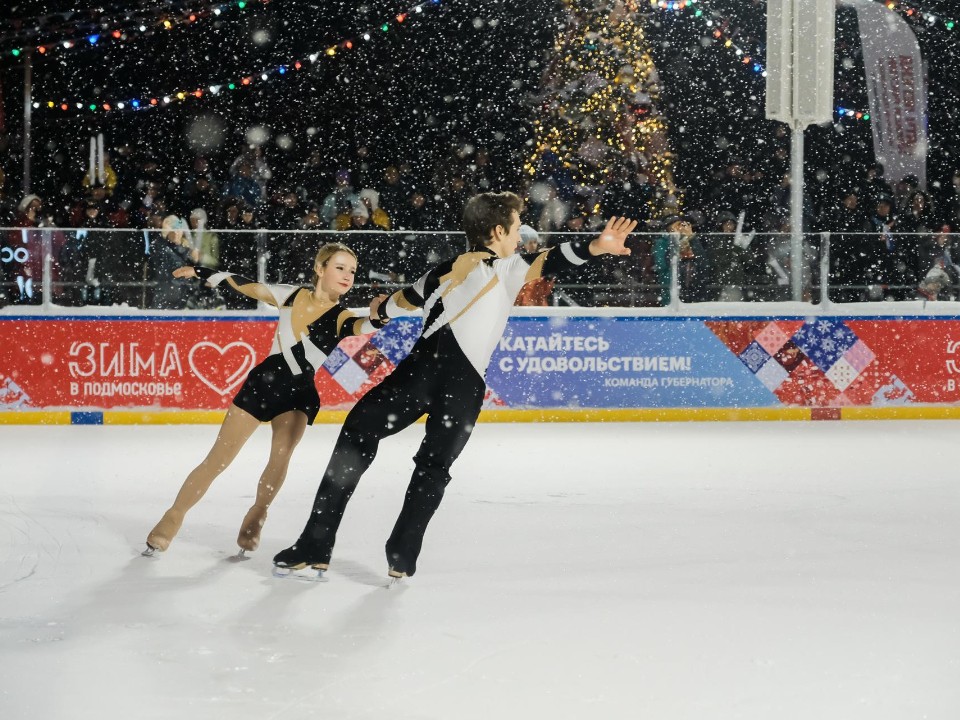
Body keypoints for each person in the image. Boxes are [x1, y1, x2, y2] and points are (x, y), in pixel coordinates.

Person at [272, 191, 636, 580]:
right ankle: (403, 550)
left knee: (360, 432)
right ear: (498, 231)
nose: (519, 236)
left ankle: (317, 541)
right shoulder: (509, 267)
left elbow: (400, 302)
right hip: (462, 388)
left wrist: (380, 309)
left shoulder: (443, 270)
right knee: (434, 467)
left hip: (419, 374)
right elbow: (554, 259)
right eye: (515, 228)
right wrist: (596, 246)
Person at [144, 242, 388, 556]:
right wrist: (203, 271)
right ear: (319, 268)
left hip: (299, 395)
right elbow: (247, 286)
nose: (347, 276)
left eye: (352, 271)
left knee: (279, 457)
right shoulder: (291, 295)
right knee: (217, 459)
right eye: (339, 267)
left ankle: (257, 514)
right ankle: (172, 517)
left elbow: (363, 326)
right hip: (261, 385)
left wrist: (378, 318)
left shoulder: (342, 317)